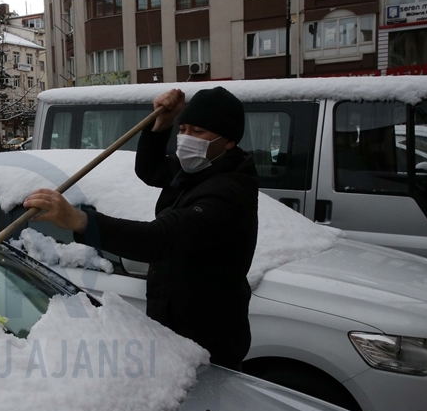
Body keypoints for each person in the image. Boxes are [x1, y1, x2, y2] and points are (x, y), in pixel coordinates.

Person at [23, 87, 259, 370]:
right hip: (177, 323)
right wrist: (162, 125)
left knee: (206, 410)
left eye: (198, 132)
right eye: (183, 129)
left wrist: (81, 221)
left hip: (208, 335)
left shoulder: (227, 193)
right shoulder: (204, 168)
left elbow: (160, 239)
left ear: (229, 140)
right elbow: (151, 170)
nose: (186, 139)